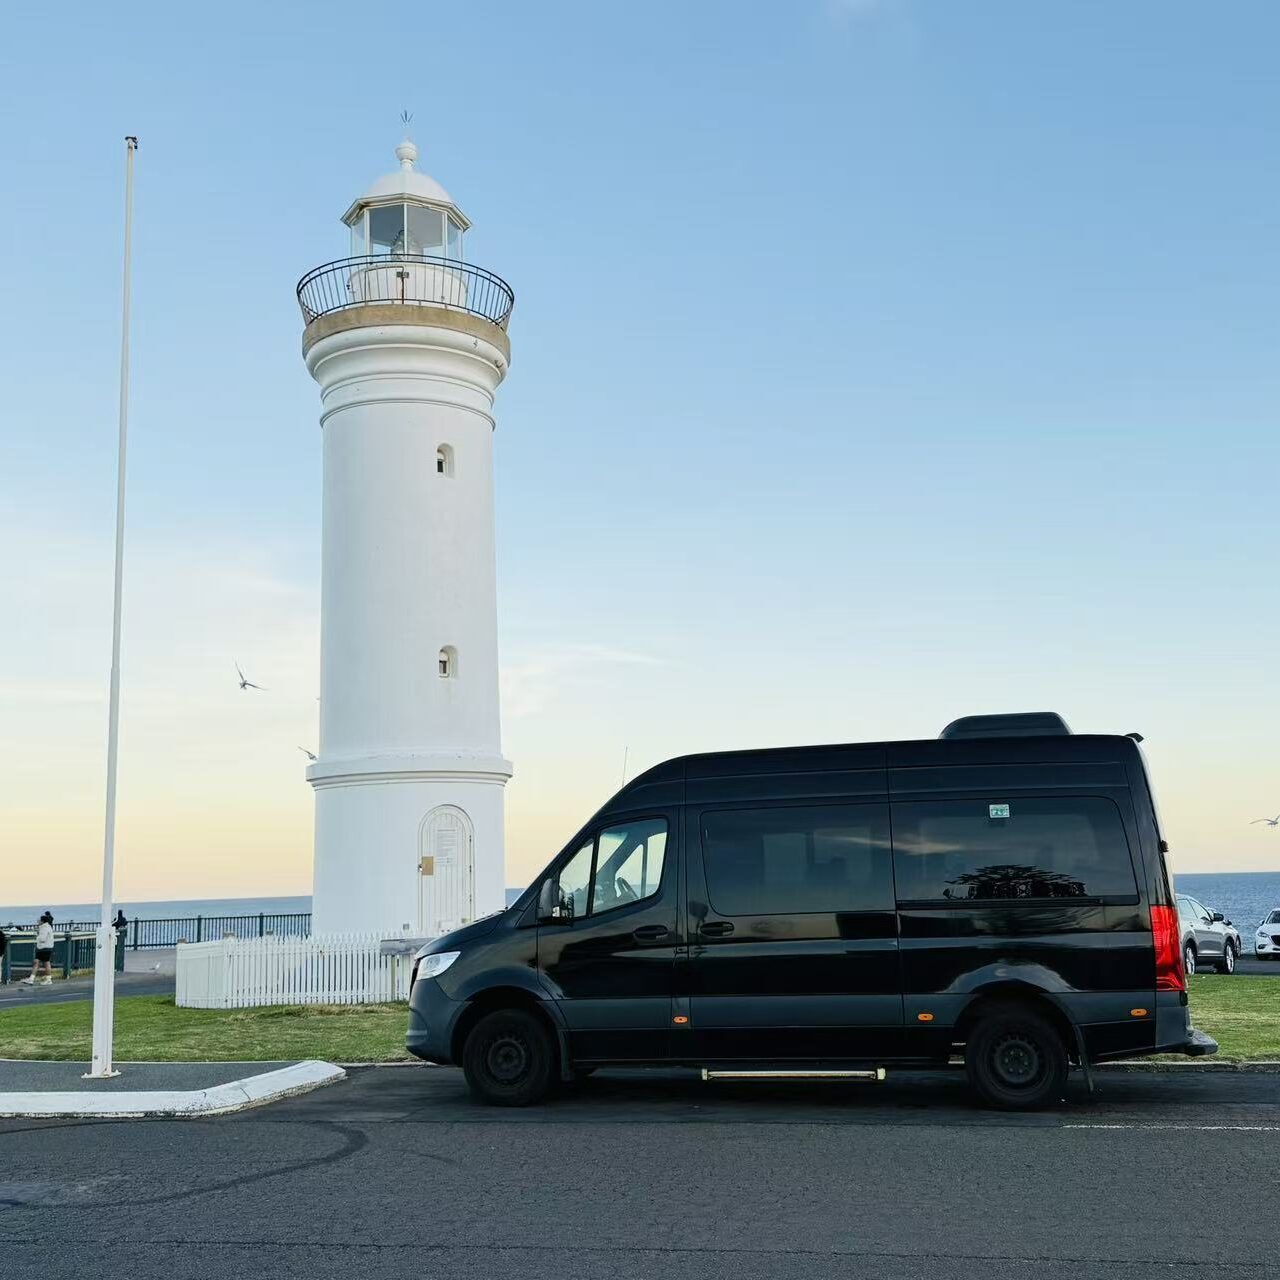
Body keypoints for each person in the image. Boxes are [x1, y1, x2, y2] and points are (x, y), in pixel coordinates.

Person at [21, 912, 55, 986]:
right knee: (41, 962)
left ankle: (45, 979)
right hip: (46, 948)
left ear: (42, 921)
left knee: (41, 963)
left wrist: (37, 937)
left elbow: (42, 939)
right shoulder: (47, 927)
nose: (37, 921)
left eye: (39, 920)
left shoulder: (44, 928)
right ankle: (33, 979)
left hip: (43, 948)